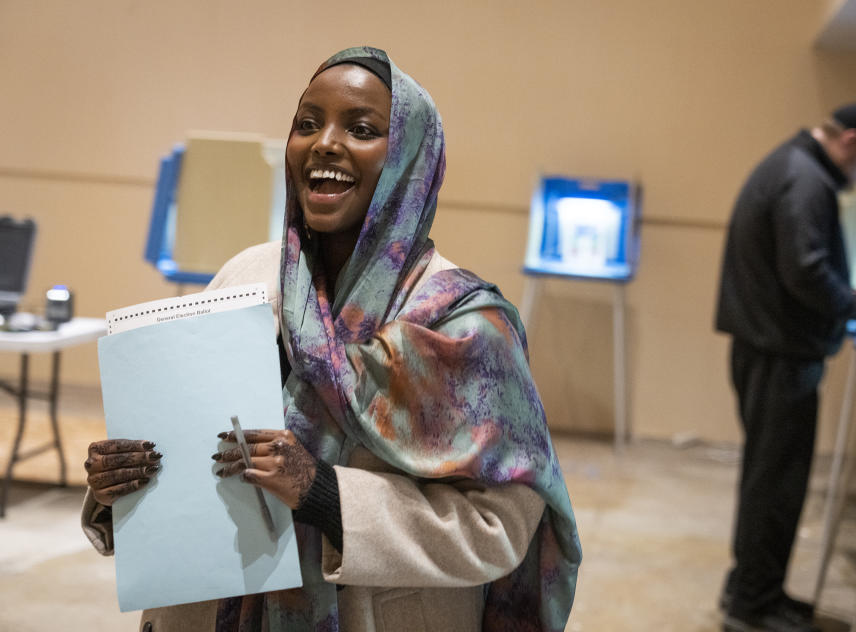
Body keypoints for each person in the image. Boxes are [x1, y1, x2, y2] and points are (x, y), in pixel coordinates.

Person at [82, 46, 581, 632]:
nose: (324, 143)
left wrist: (325, 494)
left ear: (408, 159)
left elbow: (499, 532)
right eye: (307, 123)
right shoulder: (243, 278)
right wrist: (118, 488)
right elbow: (184, 449)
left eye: (362, 128)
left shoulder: (463, 327)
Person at [714, 103, 856, 632]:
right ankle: (754, 605)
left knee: (767, 477)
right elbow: (806, 270)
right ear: (852, 141)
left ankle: (754, 591)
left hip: (765, 349)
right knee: (778, 483)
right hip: (781, 355)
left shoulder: (791, 165)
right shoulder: (806, 179)